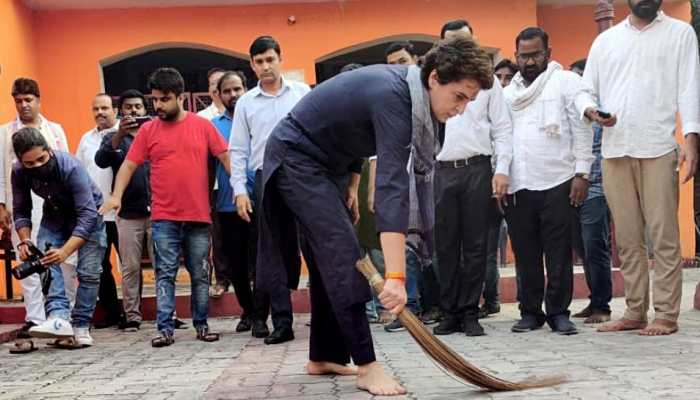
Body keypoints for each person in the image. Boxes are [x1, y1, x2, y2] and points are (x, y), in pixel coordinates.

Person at [257, 37, 493, 396]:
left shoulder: (410, 94)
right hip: (295, 158)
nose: (462, 109)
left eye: (469, 101)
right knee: (346, 256)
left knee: (326, 262)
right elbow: (391, 187)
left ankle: (324, 355)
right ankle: (367, 365)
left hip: (329, 165)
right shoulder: (395, 96)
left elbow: (351, 131)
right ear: (434, 79)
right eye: (459, 96)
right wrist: (395, 277)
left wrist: (350, 188)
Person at [583, 0, 700, 335]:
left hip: (658, 147)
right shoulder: (606, 41)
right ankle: (635, 311)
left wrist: (691, 140)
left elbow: (690, 89)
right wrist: (592, 110)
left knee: (663, 235)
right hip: (614, 148)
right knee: (628, 238)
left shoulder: (681, 34)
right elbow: (585, 89)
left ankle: (666, 314)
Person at [101, 67, 230, 347]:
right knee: (165, 273)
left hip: (198, 216)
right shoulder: (148, 130)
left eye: (164, 99)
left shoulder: (203, 126)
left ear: (180, 97)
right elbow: (128, 165)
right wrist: (116, 195)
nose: (158, 105)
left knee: (199, 273)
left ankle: (201, 325)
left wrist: (242, 192)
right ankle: (165, 329)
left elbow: (225, 157)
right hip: (163, 218)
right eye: (155, 100)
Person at [503, 27, 594, 336]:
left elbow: (582, 128)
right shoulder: (507, 93)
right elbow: (500, 138)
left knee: (558, 252)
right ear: (515, 57)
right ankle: (530, 312)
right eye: (523, 56)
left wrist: (582, 173)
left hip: (558, 180)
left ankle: (558, 313)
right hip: (519, 183)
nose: (529, 62)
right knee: (526, 253)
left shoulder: (565, 81)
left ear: (548, 53)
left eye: (535, 54)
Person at [432, 19, 512, 336]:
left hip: (478, 169)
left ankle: (469, 312)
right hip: (442, 172)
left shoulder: (486, 84)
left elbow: (503, 128)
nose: (459, 47)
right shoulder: (434, 83)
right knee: (446, 246)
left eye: (464, 40)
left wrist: (502, 169)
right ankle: (449, 311)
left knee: (477, 246)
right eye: (452, 42)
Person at [229, 36, 311, 345]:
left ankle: (327, 315)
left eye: (270, 59)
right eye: (259, 62)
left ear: (280, 58)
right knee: (272, 251)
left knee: (313, 243)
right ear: (252, 66)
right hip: (267, 178)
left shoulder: (302, 94)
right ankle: (282, 322)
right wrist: (239, 190)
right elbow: (237, 149)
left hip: (303, 175)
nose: (265, 66)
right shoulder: (247, 103)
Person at [12, 127, 107, 348]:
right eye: (30, 163)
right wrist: (25, 240)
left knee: (89, 273)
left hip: (90, 217)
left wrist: (65, 252)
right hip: (54, 216)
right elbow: (21, 209)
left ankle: (81, 325)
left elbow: (87, 215)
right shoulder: (18, 172)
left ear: (50, 151)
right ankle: (58, 318)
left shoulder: (70, 166)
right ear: (20, 161)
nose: (37, 166)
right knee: (45, 260)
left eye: (41, 159)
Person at [0, 78, 76, 343]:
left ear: (38, 100)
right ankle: (35, 317)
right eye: (18, 101)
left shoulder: (54, 130)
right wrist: (1, 207)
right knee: (28, 262)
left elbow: (68, 164)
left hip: (57, 207)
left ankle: (65, 315)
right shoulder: (4, 132)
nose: (23, 105)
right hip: (22, 208)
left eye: (28, 100)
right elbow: (1, 172)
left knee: (64, 260)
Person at [94, 89, 152, 332]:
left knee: (164, 266)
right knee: (129, 268)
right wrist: (119, 134)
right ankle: (132, 316)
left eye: (138, 106)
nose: (134, 111)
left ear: (144, 109)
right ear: (120, 111)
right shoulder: (112, 138)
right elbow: (101, 160)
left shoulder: (154, 132)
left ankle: (168, 314)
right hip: (128, 213)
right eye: (128, 107)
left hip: (159, 211)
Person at [209, 70, 257, 332]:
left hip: (261, 201)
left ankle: (262, 311)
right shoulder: (214, 126)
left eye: (237, 89)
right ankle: (248, 311)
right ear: (219, 95)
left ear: (245, 89)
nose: (233, 95)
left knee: (262, 261)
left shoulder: (257, 119)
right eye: (227, 91)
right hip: (228, 205)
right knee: (236, 262)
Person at [567, 59, 613, 324]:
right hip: (569, 186)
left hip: (596, 187)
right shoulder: (570, 112)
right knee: (582, 247)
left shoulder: (602, 113)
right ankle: (595, 299)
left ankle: (602, 306)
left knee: (595, 244)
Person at [76, 93, 122, 328]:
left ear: (114, 109)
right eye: (96, 109)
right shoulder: (86, 139)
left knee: (130, 264)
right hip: (96, 214)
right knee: (101, 266)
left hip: (124, 214)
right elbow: (78, 175)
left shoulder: (125, 135)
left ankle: (133, 313)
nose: (100, 113)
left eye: (104, 108)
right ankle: (112, 313)